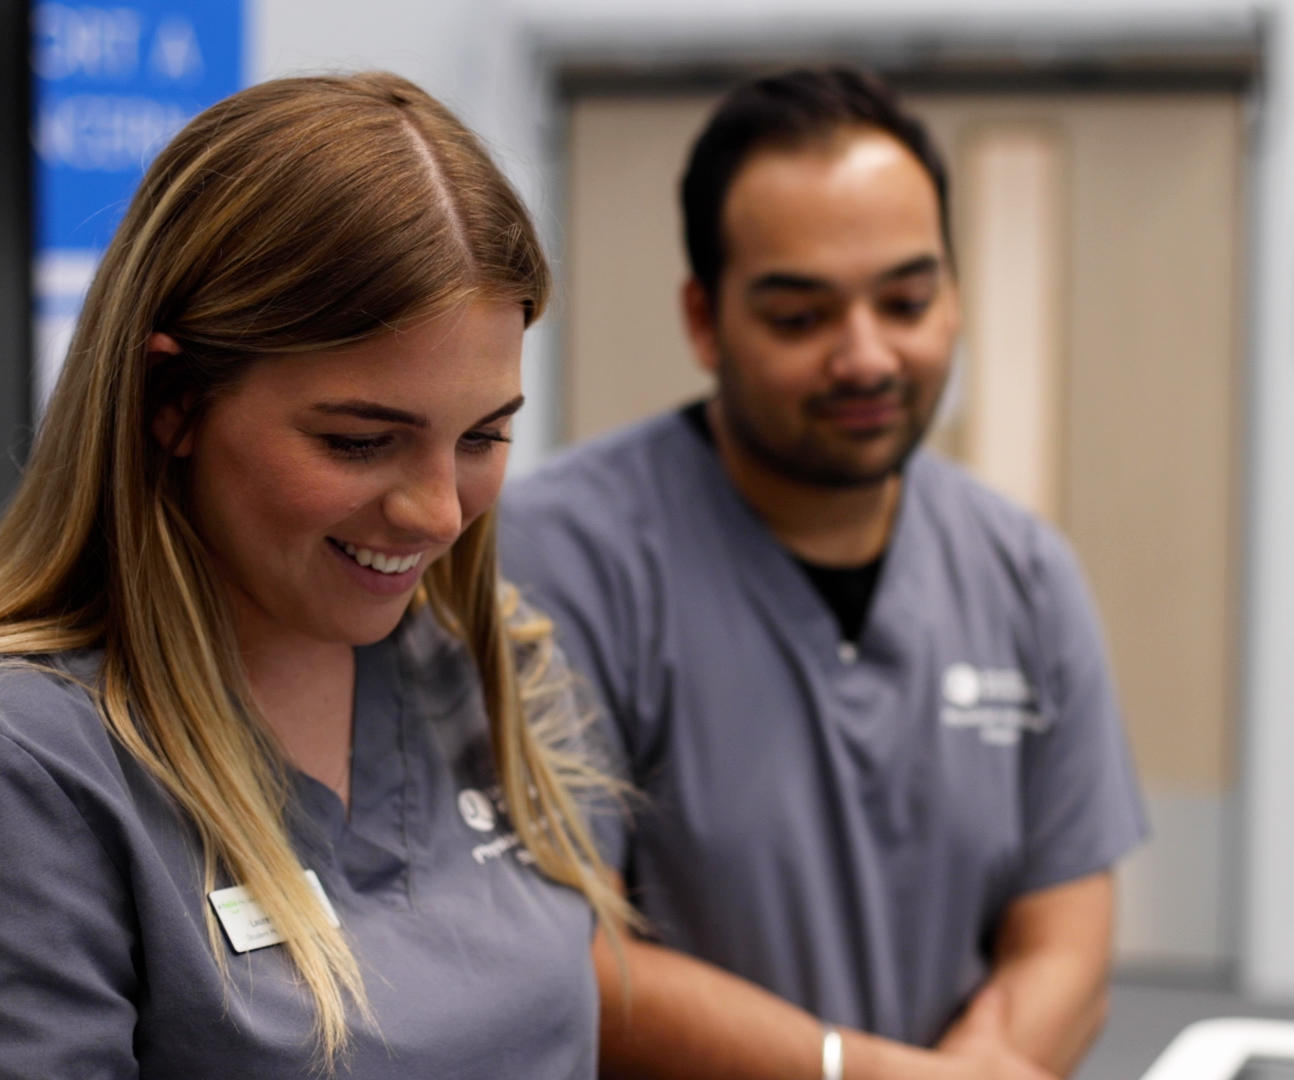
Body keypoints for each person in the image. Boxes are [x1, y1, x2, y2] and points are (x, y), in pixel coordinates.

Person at [499, 67, 1146, 1080]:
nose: (866, 357)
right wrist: (857, 1072)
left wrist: (978, 1066)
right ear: (704, 320)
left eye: (905, 300)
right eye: (801, 317)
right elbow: (557, 953)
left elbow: (1065, 932)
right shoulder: (560, 562)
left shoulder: (1022, 574)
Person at [0, 71, 626, 1079]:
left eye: (483, 436)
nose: (436, 512)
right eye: (359, 442)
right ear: (173, 401)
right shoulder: (42, 771)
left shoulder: (488, 672)